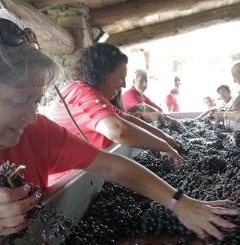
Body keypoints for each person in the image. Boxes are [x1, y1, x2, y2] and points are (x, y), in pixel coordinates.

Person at [0, 8, 240, 245]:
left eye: (36, 101)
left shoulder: (36, 132)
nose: (32, 117)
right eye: (20, 101)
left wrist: (179, 201)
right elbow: (118, 131)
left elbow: (112, 166)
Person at [47, 44, 183, 165]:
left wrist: (167, 140)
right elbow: (119, 130)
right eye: (121, 78)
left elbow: (127, 120)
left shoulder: (87, 93)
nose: (123, 84)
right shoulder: (82, 94)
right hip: (71, 182)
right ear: (104, 74)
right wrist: (163, 147)